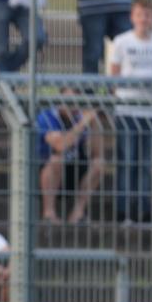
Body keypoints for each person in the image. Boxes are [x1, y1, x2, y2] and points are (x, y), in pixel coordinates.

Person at [109, 0, 152, 224]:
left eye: (148, 14)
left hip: (151, 113)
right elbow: (114, 74)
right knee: (127, 161)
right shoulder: (122, 41)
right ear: (132, 17)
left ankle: (143, 211)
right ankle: (124, 212)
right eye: (140, 14)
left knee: (146, 163)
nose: (144, 19)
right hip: (127, 110)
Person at [36, 89, 105, 224]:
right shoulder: (47, 117)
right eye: (68, 102)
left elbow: (98, 153)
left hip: (74, 169)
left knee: (99, 164)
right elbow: (60, 146)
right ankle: (49, 214)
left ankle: (77, 213)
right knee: (56, 160)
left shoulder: (79, 117)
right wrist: (82, 124)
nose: (72, 106)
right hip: (47, 174)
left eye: (76, 102)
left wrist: (94, 122)